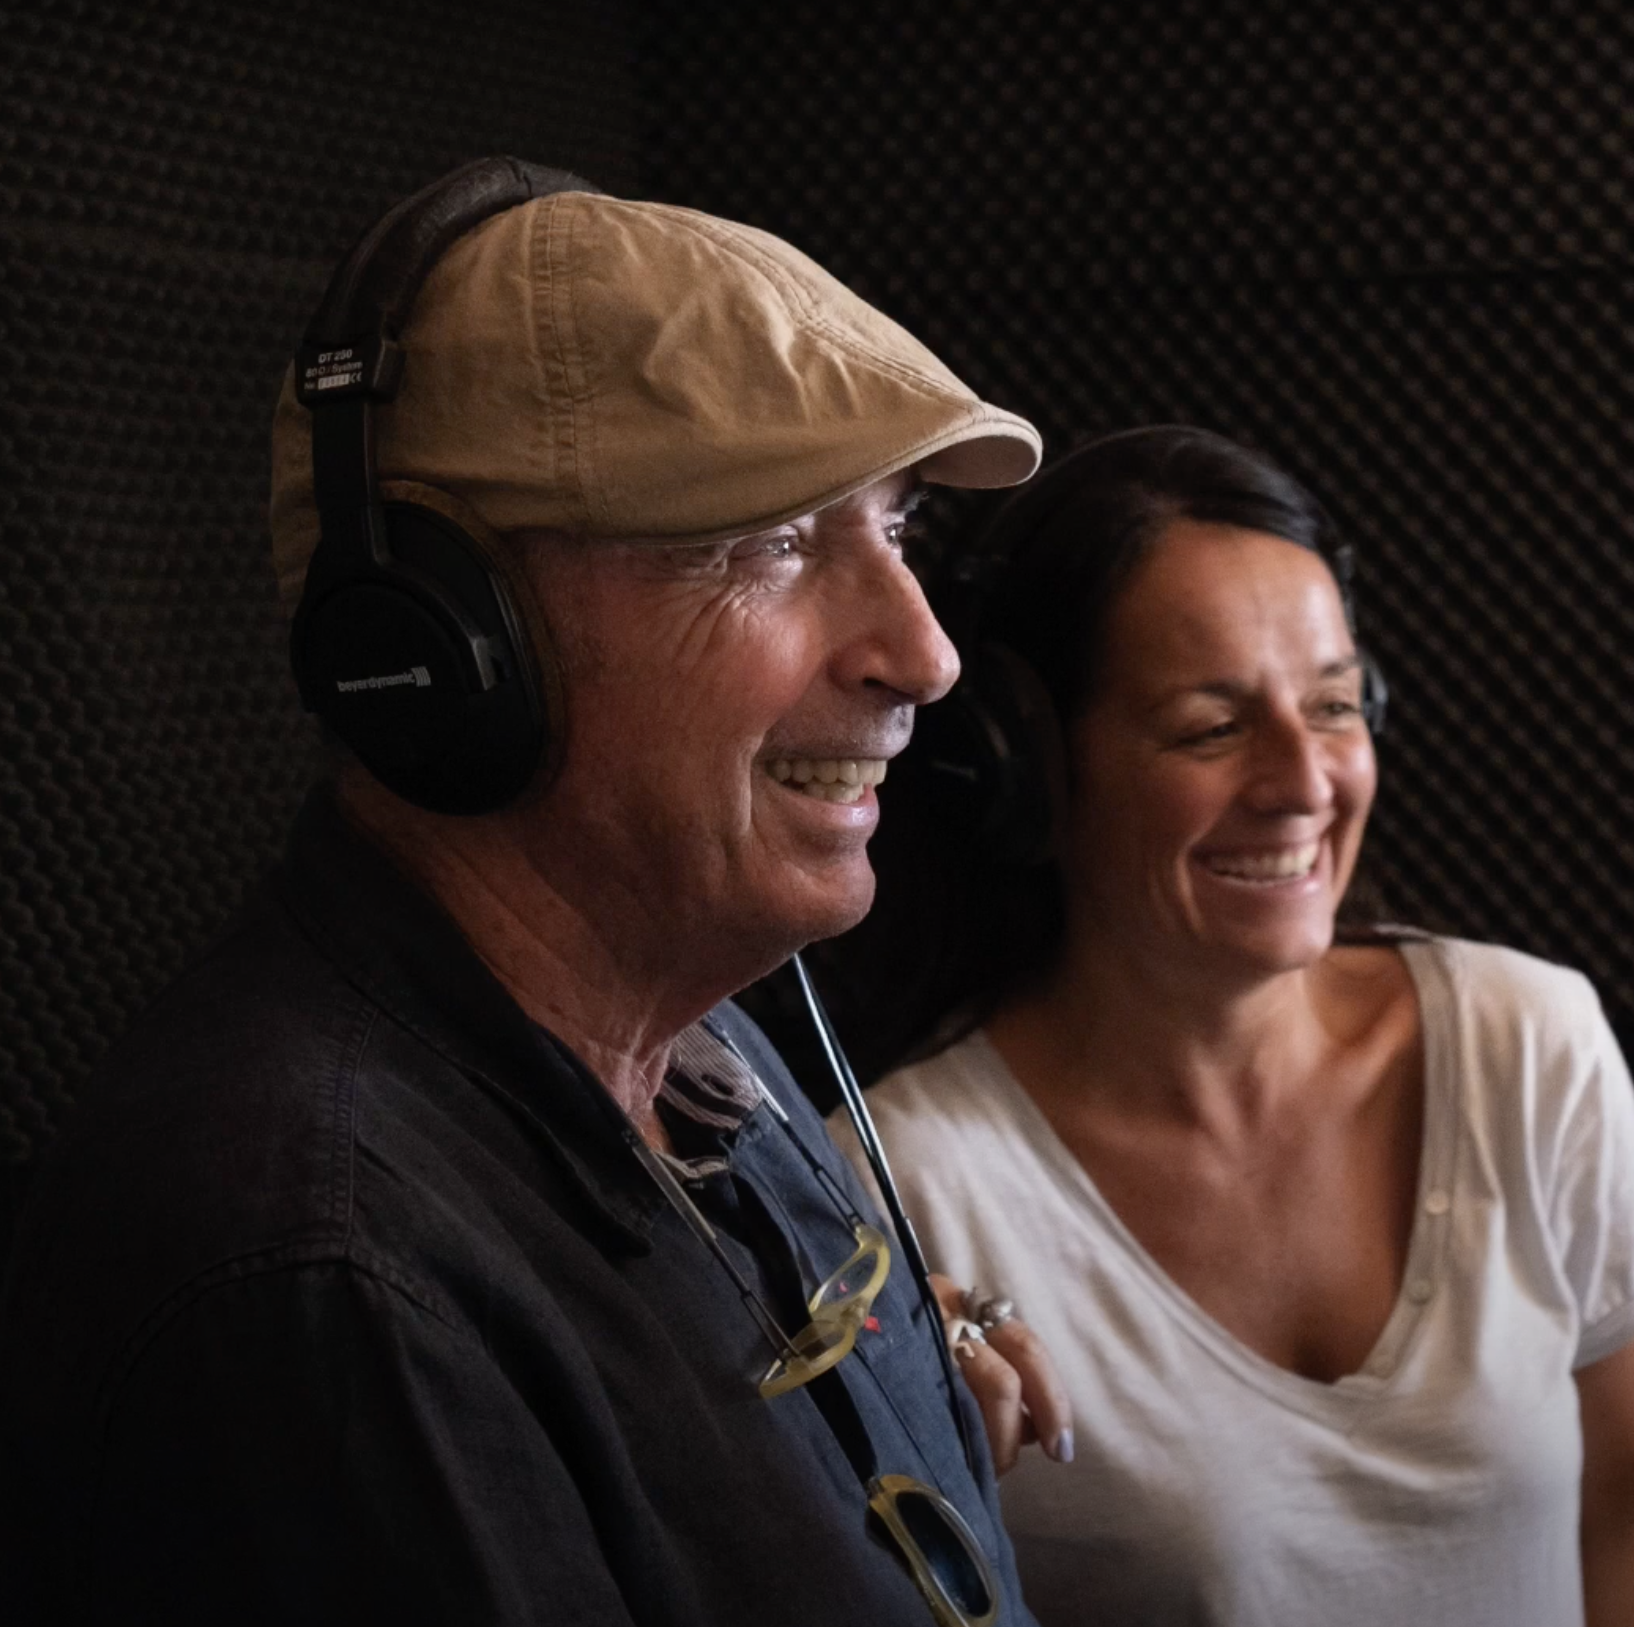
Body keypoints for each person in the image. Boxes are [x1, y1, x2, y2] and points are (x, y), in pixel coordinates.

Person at [0, 159, 1071, 1625]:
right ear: (442, 640)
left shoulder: (703, 1056)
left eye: (896, 532)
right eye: (769, 542)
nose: (925, 653)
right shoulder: (328, 1284)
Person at [826, 426, 1634, 1626]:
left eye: (1335, 705)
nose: (1305, 781)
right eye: (1213, 726)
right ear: (1027, 766)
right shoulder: (900, 1186)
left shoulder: (1528, 1043)